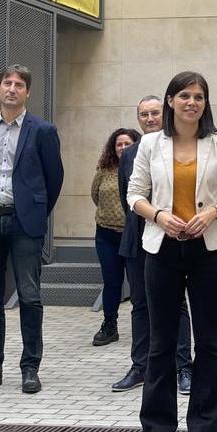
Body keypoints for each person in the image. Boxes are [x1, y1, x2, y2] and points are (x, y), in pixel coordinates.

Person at [126, 72, 217, 432]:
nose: (192, 102)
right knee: (161, 342)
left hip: (207, 249)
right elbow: (134, 195)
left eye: (199, 96)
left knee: (208, 341)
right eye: (185, 96)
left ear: (205, 103)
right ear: (170, 101)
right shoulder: (149, 144)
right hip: (162, 249)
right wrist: (159, 215)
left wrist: (213, 212)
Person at [0, 64, 64, 396]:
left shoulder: (43, 130)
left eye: (20, 85)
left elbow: (54, 178)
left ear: (27, 92)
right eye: (7, 83)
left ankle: (30, 368)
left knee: (30, 297)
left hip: (24, 223)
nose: (12, 89)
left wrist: (35, 212)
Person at [113, 96, 193, 394]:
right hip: (137, 241)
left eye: (155, 113)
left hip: (171, 240)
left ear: (166, 114)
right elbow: (128, 198)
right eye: (144, 114)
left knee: (177, 304)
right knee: (140, 306)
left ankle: (183, 366)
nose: (149, 118)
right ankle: (140, 366)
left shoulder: (179, 146)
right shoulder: (129, 153)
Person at [91, 127, 142, 347]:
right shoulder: (104, 170)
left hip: (132, 236)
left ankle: (142, 328)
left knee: (137, 284)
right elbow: (95, 194)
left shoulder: (140, 168)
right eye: (119, 144)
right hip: (106, 235)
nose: (122, 148)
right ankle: (109, 325)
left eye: (127, 144)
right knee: (112, 282)